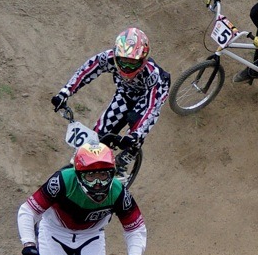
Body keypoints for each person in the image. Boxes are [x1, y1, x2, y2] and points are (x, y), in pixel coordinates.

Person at [17, 141, 146, 255]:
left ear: (112, 174)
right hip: (55, 232)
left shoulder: (118, 192)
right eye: (90, 176)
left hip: (90, 236)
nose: (98, 183)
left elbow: (135, 228)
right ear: (78, 174)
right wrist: (29, 244)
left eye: (103, 175)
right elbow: (28, 210)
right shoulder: (61, 181)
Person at [51, 27, 171, 164]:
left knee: (136, 121)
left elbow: (150, 109)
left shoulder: (152, 75)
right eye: (123, 61)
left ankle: (132, 152)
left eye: (132, 63)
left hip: (149, 96)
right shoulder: (108, 58)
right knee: (99, 132)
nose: (126, 67)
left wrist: (134, 135)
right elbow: (85, 71)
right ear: (115, 56)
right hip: (125, 92)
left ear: (143, 59)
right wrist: (65, 92)